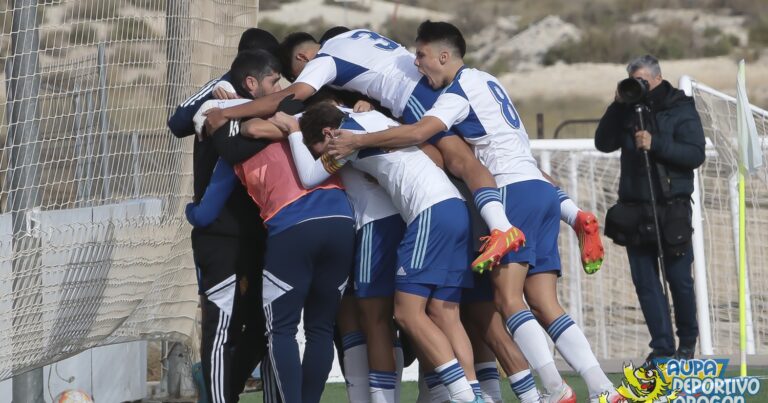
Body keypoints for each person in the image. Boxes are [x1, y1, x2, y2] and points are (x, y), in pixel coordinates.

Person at [328, 20, 627, 403]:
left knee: (505, 302)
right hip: (541, 191)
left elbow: (421, 135)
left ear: (444, 55)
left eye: (420, 56)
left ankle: (554, 389)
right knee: (545, 303)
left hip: (507, 194)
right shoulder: (491, 81)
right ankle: (602, 387)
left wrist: (361, 139)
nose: (416, 65)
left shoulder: (457, 92)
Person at [204, 30, 526, 273]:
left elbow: (290, 96)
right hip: (417, 95)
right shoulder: (360, 38)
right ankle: (531, 217)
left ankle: (498, 227)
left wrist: (230, 111)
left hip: (412, 97)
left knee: (454, 159)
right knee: (469, 158)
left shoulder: (325, 61)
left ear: (303, 60)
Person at [270, 102, 485, 403]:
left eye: (317, 147)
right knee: (444, 314)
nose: (321, 154)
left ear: (329, 133)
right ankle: (474, 393)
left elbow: (308, 176)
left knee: (397, 315)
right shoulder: (370, 117)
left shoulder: (344, 140)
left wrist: (293, 131)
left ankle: (463, 395)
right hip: (454, 207)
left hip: (421, 215)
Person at [169, 28, 278, 403]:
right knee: (220, 325)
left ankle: (225, 389)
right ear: (249, 77)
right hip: (221, 235)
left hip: (264, 232)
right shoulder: (217, 101)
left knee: (265, 327)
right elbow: (178, 122)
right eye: (272, 76)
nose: (278, 81)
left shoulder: (272, 104)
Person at [595, 54, 704, 363]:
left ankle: (686, 344)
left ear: (657, 78)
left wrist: (655, 144)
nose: (638, 86)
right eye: (633, 80)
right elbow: (603, 143)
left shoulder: (680, 106)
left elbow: (695, 154)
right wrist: (617, 104)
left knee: (679, 279)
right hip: (635, 208)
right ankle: (662, 347)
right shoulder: (626, 109)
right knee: (645, 282)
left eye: (642, 80)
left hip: (672, 207)